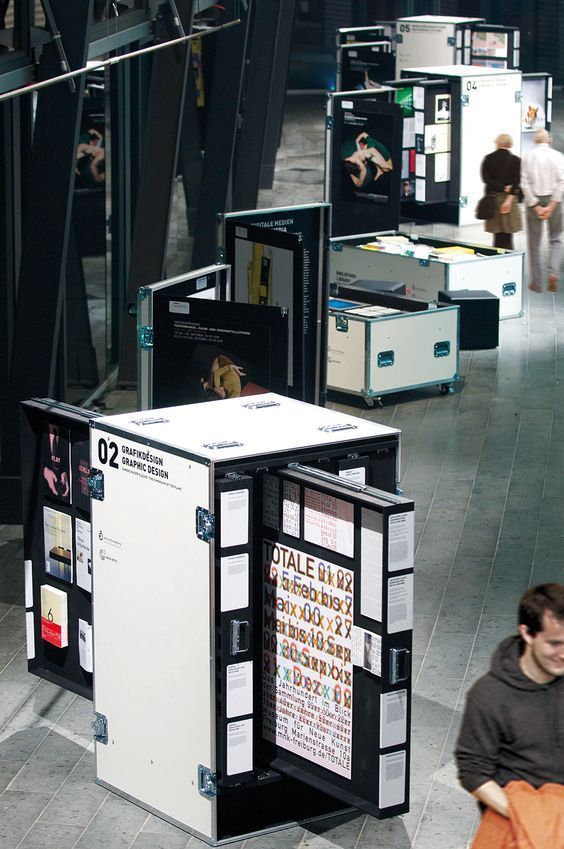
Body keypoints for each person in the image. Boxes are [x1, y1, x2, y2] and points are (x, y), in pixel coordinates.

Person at [455, 583, 564, 819]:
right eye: (555, 643)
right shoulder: (489, 696)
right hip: (522, 828)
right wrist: (525, 816)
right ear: (527, 633)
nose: (563, 653)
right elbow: (473, 771)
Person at [520, 128, 564, 293]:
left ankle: (536, 283)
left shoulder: (527, 157)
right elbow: (562, 183)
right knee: (555, 239)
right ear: (549, 140)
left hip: (534, 201)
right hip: (555, 200)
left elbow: (524, 183)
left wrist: (536, 206)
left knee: (534, 243)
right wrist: (552, 205)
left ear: (535, 141)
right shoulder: (559, 157)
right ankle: (553, 273)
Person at [479, 133, 522, 251]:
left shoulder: (488, 158)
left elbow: (486, 179)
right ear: (510, 144)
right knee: (508, 234)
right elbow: (518, 181)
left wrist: (501, 187)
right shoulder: (516, 160)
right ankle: (509, 259)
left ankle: (496, 258)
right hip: (510, 199)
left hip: (493, 198)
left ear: (497, 143)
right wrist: (508, 198)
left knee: (497, 233)